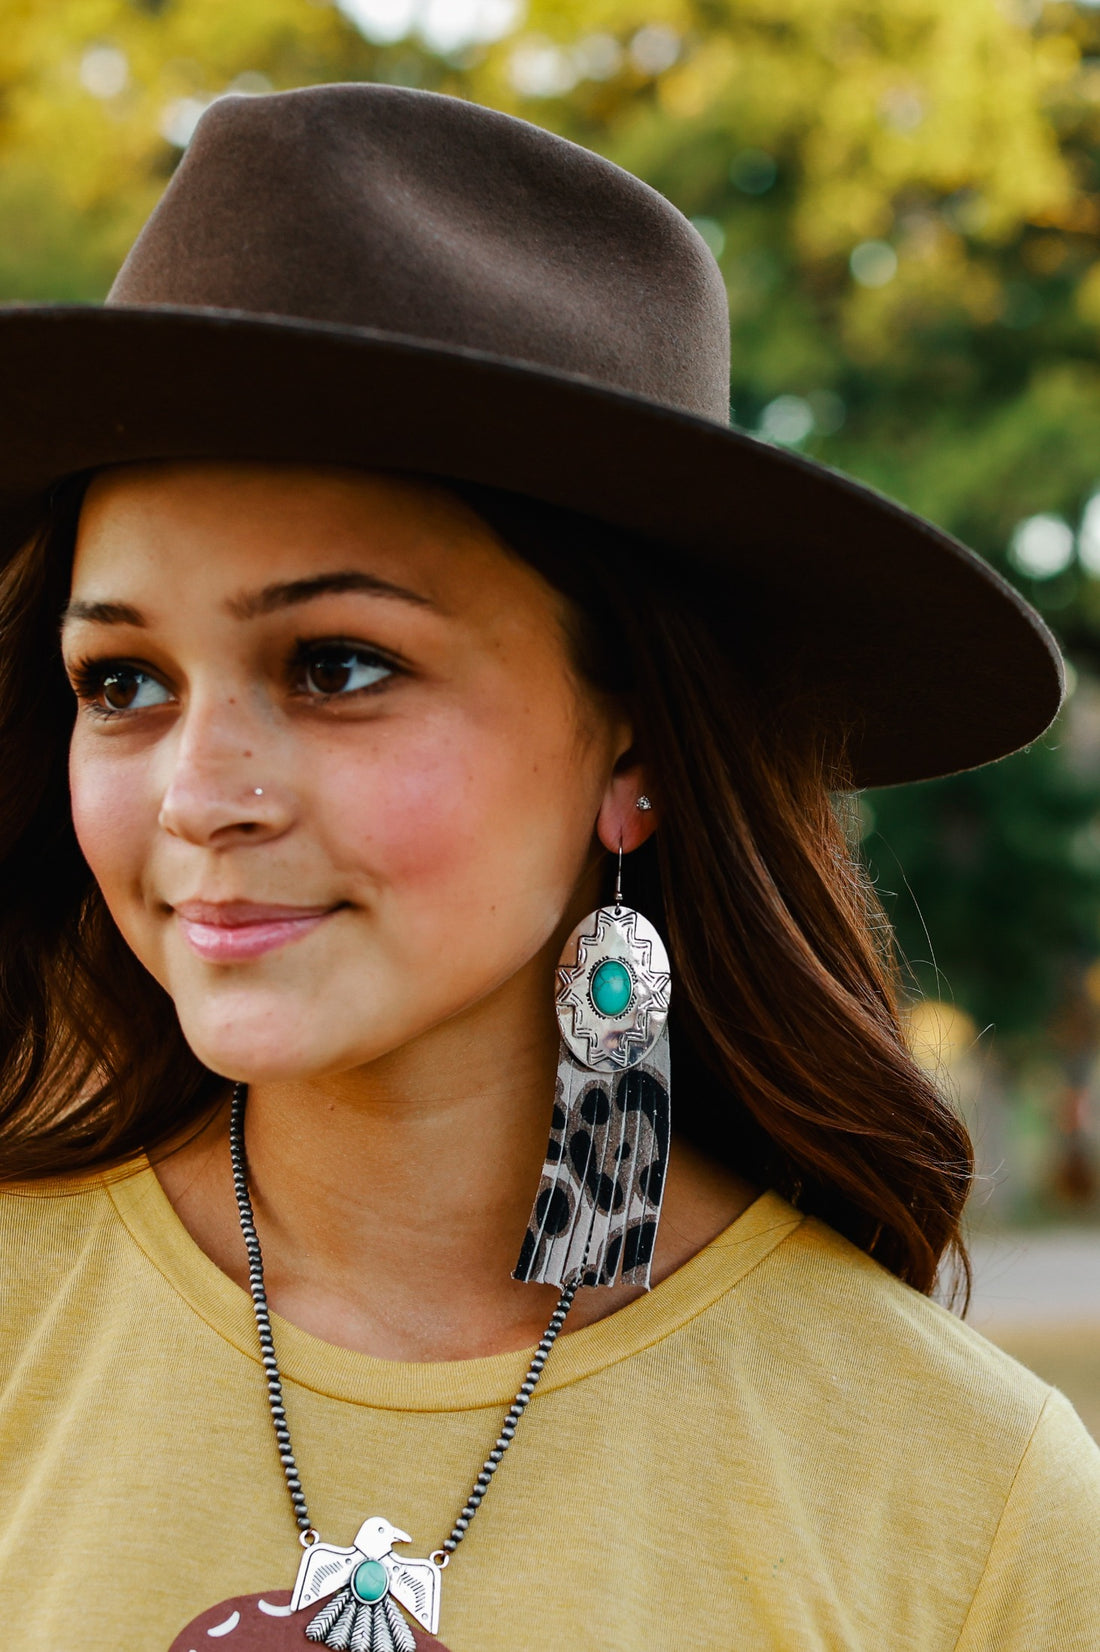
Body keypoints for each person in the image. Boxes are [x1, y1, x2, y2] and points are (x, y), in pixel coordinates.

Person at [0, 82, 1094, 1652]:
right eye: (122, 681)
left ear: (633, 747)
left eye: (338, 666)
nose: (197, 792)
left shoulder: (970, 1511)